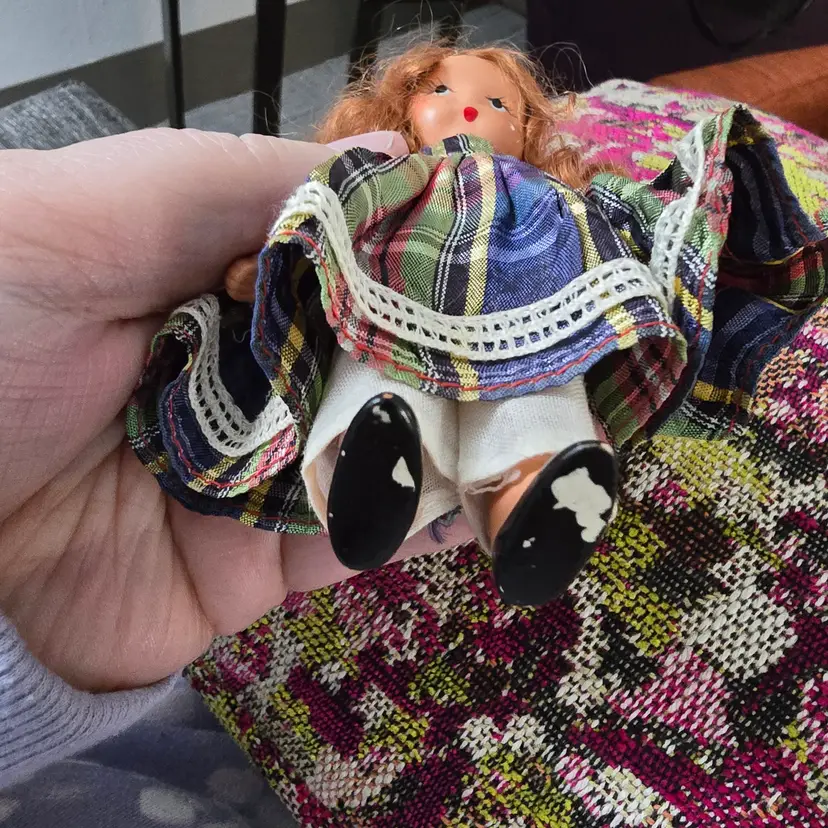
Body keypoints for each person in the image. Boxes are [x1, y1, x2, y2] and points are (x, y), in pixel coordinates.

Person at [0, 126, 474, 820]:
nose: (469, 111)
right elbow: (282, 250)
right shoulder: (381, 192)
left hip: (425, 342)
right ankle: (373, 465)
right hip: (333, 334)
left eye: (499, 104)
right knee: (353, 399)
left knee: (430, 412)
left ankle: (432, 471)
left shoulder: (506, 210)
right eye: (442, 89)